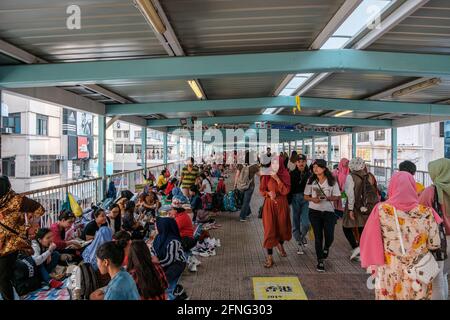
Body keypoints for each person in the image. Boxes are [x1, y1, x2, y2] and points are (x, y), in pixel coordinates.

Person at [360, 171, 442, 300]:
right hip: (418, 272)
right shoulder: (427, 212)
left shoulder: (381, 210)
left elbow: (370, 241)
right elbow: (435, 243)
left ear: (392, 187)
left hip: (389, 270)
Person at [0, 176, 45, 299]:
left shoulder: (17, 200)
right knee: (5, 277)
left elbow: (39, 209)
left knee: (3, 278)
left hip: (11, 244)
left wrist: (31, 224)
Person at [418, 158, 450, 300]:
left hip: (439, 240)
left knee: (436, 280)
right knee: (444, 275)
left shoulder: (430, 191)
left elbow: (419, 214)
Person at [304, 159, 341, 272]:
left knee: (329, 236)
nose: (315, 169)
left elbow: (337, 196)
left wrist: (328, 198)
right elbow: (305, 196)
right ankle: (320, 260)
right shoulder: (311, 180)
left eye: (318, 167)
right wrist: (312, 199)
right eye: (314, 167)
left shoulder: (332, 181)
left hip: (329, 212)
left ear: (324, 168)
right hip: (314, 212)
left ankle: (326, 247)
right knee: (318, 236)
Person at [343, 157, 379, 261]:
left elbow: (350, 194)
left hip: (354, 206)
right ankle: (363, 251)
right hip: (367, 207)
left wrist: (350, 209)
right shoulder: (369, 176)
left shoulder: (351, 177)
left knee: (346, 227)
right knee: (362, 228)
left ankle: (356, 248)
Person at [259, 155, 292, 268]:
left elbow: (286, 191)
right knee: (269, 229)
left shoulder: (285, 175)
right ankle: (270, 258)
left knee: (282, 228)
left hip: (282, 204)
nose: (274, 166)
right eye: (273, 163)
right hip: (269, 205)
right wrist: (268, 193)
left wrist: (277, 179)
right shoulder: (266, 175)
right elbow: (262, 190)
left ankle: (279, 243)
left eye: (277, 164)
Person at [152, 218, 187, 300]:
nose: (156, 228)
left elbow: (170, 260)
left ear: (164, 227)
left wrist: (157, 263)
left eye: (157, 226)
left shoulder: (173, 241)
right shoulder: (158, 237)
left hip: (176, 262)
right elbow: (153, 249)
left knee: (167, 274)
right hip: (161, 261)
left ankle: (160, 288)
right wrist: (154, 258)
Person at [289, 154, 311, 255]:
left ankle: (301, 237)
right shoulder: (292, 174)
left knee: (306, 223)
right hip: (295, 198)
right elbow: (289, 188)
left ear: (306, 162)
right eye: (299, 161)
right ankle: (299, 241)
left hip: (306, 199)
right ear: (296, 163)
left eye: (303, 161)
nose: (301, 163)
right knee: (296, 220)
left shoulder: (310, 174)